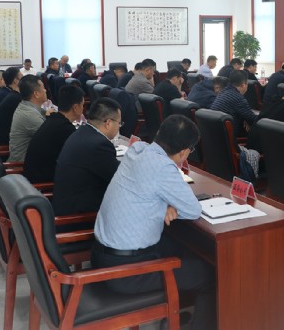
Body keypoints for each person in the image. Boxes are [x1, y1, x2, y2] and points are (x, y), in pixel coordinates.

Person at [92, 115, 217, 330]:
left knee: (185, 249)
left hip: (101, 255)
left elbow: (147, 189)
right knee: (210, 273)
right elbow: (193, 210)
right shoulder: (163, 167)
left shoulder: (137, 150)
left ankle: (178, 314)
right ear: (184, 152)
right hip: (126, 272)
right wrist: (169, 203)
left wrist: (165, 203)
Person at [52, 97, 122, 216]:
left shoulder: (82, 132)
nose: (119, 126)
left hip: (67, 205)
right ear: (108, 123)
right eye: (119, 123)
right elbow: (120, 178)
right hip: (79, 217)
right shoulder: (99, 145)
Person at [23, 85, 86, 184]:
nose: (83, 108)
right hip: (43, 185)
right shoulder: (65, 129)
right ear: (75, 107)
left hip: (33, 179)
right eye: (82, 105)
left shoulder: (53, 120)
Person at [8, 75, 53, 162]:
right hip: (22, 165)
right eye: (43, 88)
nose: (45, 90)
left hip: (31, 158)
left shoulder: (26, 106)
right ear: (36, 94)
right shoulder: (29, 115)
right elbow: (52, 138)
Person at [210, 70, 258, 135]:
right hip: (228, 135)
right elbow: (253, 120)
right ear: (243, 85)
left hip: (216, 133)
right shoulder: (238, 98)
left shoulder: (223, 91)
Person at [0, 67, 21, 131]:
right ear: (15, 80)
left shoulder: (5, 91)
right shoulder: (11, 96)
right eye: (22, 78)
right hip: (1, 134)